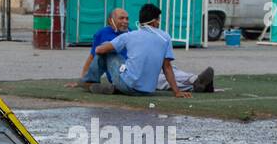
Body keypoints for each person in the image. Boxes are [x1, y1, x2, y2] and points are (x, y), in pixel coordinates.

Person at [65, 7, 213, 93]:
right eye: (122, 18)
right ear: (111, 20)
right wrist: (81, 78)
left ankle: (195, 80)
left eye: (127, 18)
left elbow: (165, 65)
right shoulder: (102, 34)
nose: (126, 22)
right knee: (161, 78)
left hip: (137, 69)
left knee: (169, 69)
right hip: (125, 72)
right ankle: (88, 82)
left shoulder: (130, 33)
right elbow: (93, 56)